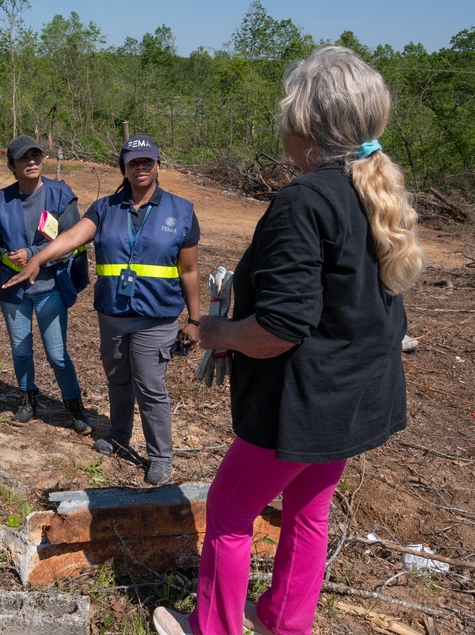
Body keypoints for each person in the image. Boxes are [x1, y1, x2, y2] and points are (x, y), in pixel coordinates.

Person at [152, 46, 426, 635]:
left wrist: (214, 332)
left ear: (302, 122)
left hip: (299, 406)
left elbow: (278, 330)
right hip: (352, 400)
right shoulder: (368, 192)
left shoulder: (303, 200)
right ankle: (283, 620)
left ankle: (212, 628)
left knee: (228, 514)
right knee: (308, 513)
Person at [5, 135, 201, 486]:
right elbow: (70, 238)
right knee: (117, 378)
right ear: (123, 168)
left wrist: (195, 319)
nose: (141, 168)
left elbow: (189, 270)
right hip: (112, 313)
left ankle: (160, 456)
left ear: (158, 165)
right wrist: (38, 258)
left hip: (156, 315)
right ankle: (119, 435)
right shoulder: (106, 208)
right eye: (133, 162)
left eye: (147, 162)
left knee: (149, 385)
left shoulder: (181, 211)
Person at [0, 136, 93, 434]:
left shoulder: (60, 195)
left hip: (49, 286)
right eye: (23, 158)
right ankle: (27, 400)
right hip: (13, 288)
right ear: (12, 166)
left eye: (36, 156)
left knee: (56, 353)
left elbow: (74, 241)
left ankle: (74, 407)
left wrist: (32, 255)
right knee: (21, 349)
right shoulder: (0, 201)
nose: (31, 162)